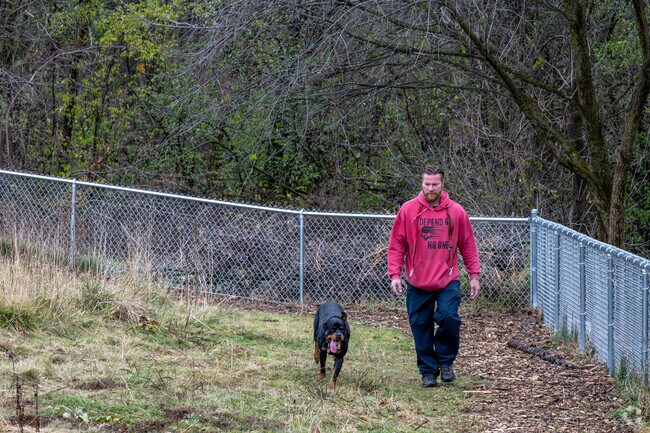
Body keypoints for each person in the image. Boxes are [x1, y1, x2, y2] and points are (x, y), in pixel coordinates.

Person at [387, 166, 480, 388]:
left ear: (442, 185)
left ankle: (446, 363)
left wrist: (474, 274)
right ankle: (428, 371)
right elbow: (397, 244)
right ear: (422, 184)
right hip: (417, 281)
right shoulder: (408, 210)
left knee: (449, 317)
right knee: (420, 325)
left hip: (447, 279)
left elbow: (468, 244)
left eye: (434, 184)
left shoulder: (456, 212)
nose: (430, 188)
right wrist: (395, 274)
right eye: (427, 184)